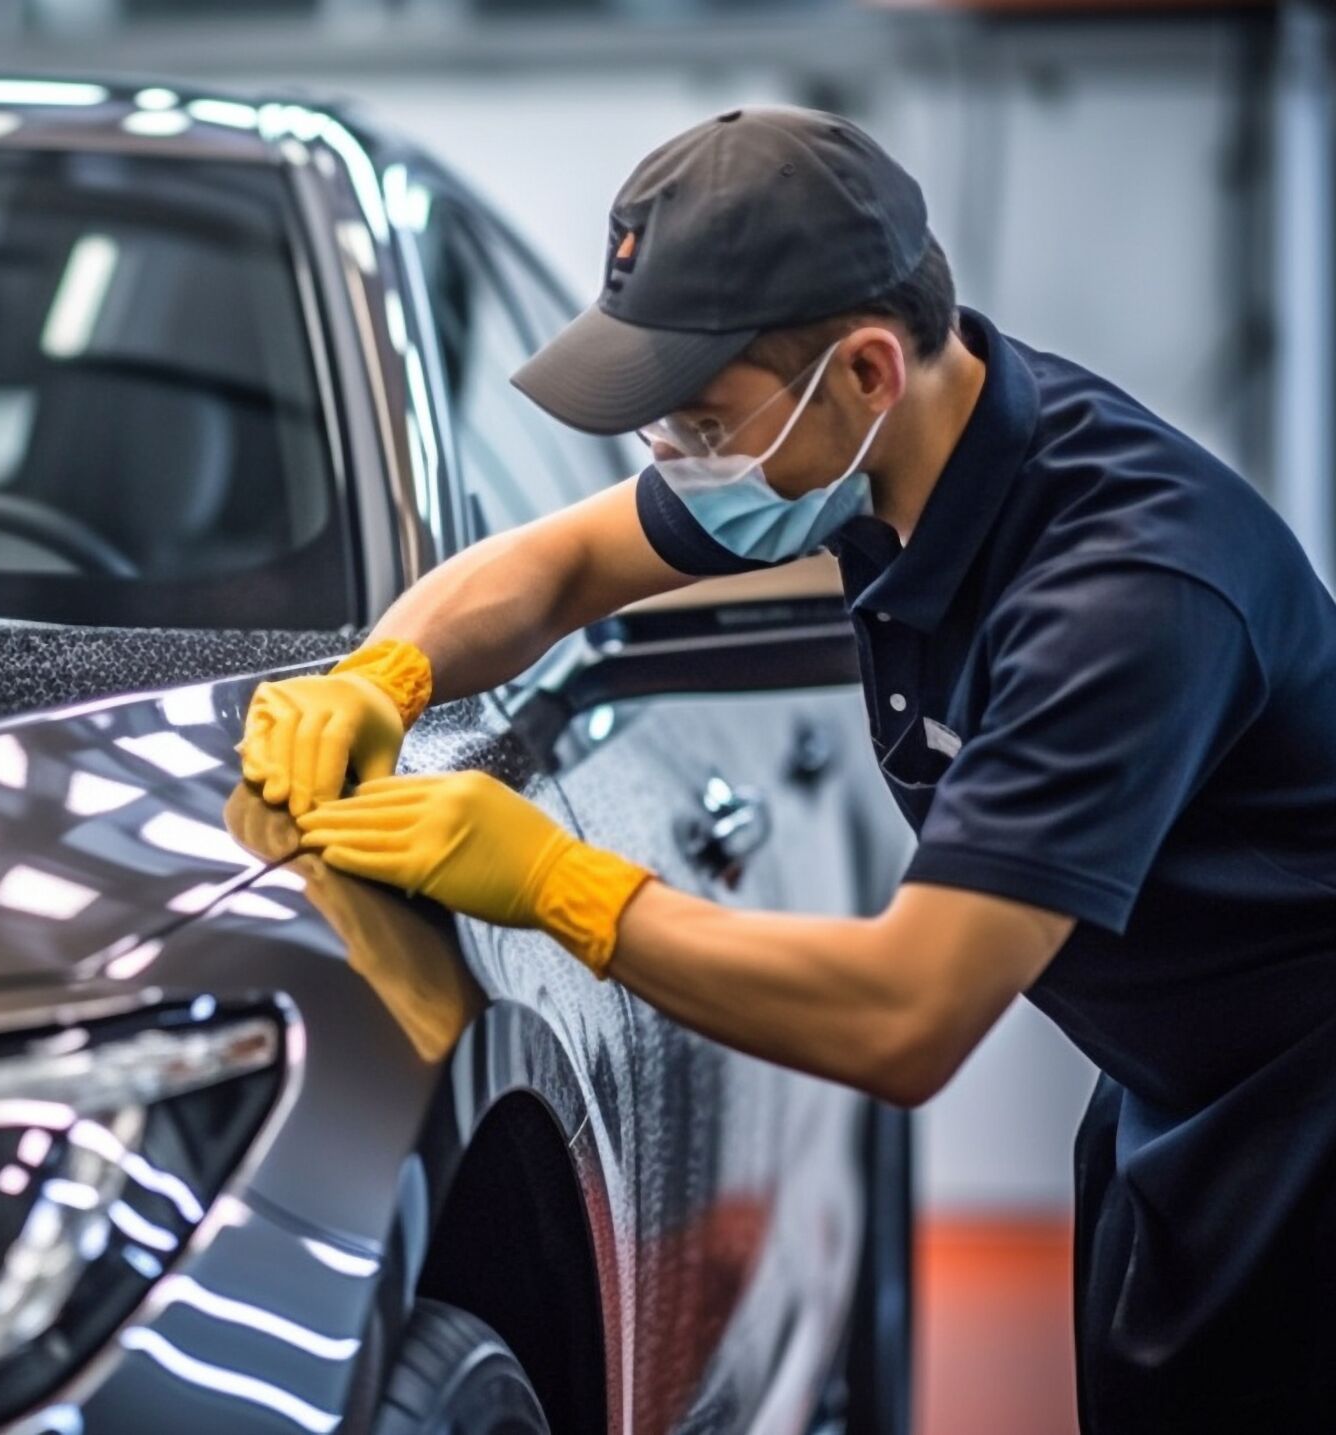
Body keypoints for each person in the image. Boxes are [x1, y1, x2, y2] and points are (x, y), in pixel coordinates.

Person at [237, 105, 1336, 1432]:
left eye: (700, 423)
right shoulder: (881, 464)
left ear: (868, 371)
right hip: (1179, 1082)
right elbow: (560, 564)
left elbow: (906, 1016)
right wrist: (380, 675)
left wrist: (562, 887)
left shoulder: (1127, 596)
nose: (674, 459)